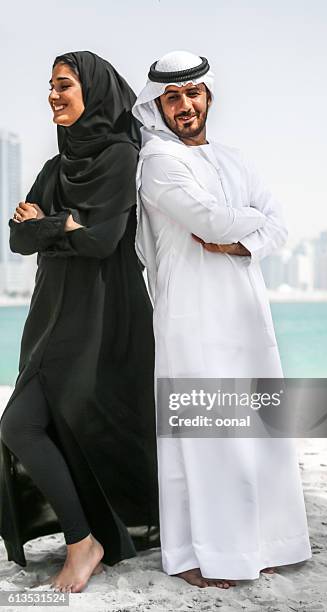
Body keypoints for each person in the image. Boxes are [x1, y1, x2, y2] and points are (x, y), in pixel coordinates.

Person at [133, 50, 312, 589]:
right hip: (192, 317)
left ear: (208, 97)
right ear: (158, 105)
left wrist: (241, 238)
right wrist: (247, 225)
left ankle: (267, 542)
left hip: (247, 312)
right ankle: (202, 553)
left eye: (193, 94)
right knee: (204, 437)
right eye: (173, 98)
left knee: (258, 432)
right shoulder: (160, 162)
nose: (185, 106)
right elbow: (207, 219)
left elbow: (277, 226)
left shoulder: (237, 158)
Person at [0, 51, 159, 593]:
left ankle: (84, 543)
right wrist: (58, 224)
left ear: (93, 90)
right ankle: (82, 538)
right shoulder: (54, 167)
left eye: (64, 84)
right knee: (25, 424)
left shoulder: (119, 156)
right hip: (50, 315)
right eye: (49, 85)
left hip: (99, 316)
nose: (53, 94)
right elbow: (18, 239)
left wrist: (50, 225)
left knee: (25, 424)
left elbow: (100, 242)